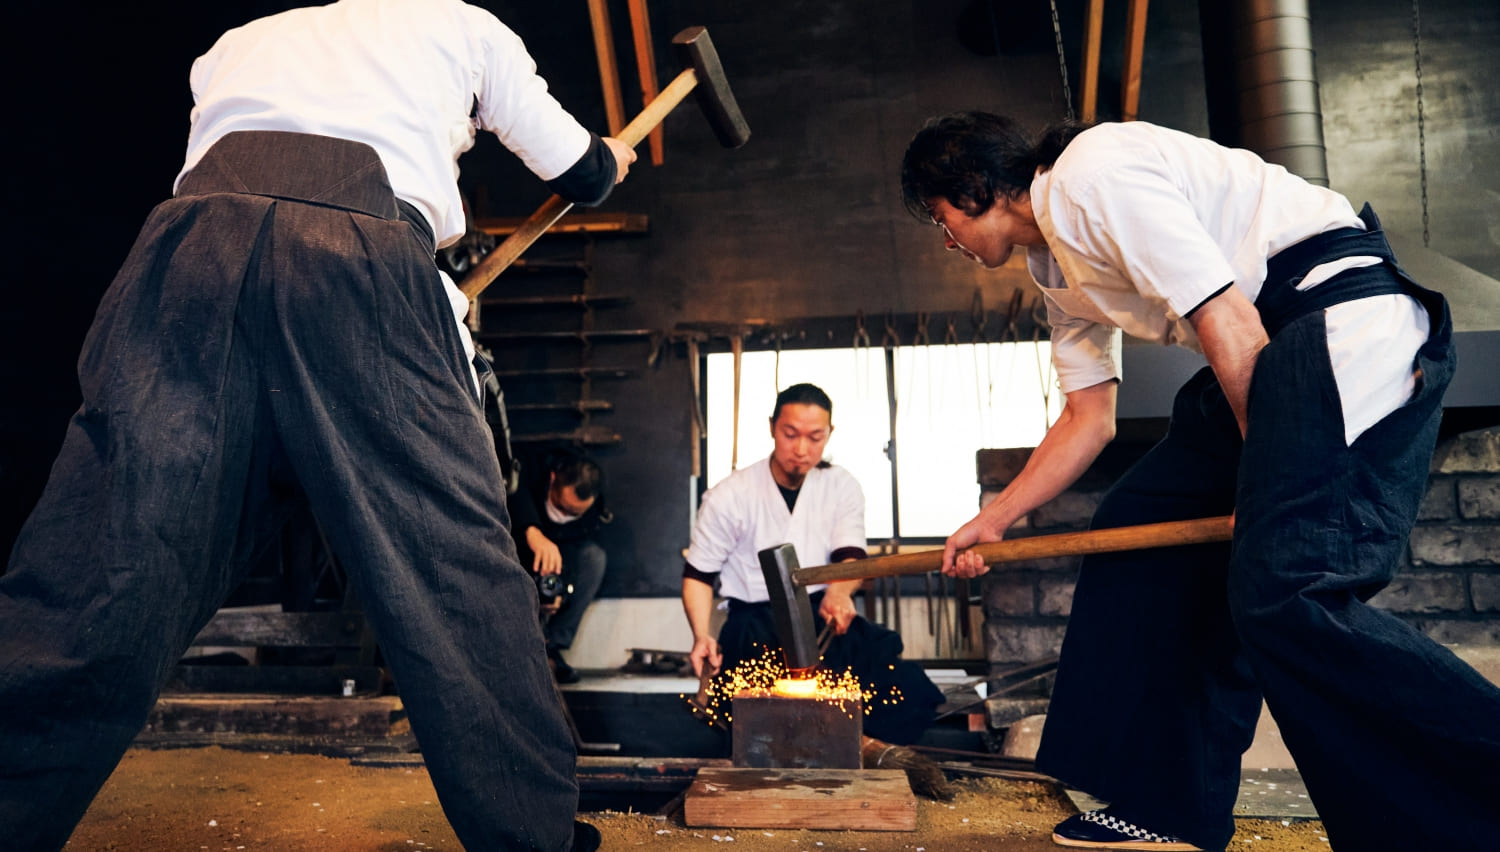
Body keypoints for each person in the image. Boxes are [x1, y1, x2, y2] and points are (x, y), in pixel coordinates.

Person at [0, 2, 636, 850]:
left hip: (185, 258)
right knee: (451, 563)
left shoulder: (236, 41)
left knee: (106, 558)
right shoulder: (464, 25)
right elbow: (574, 165)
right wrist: (614, 160)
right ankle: (534, 837)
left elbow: (241, 173)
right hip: (357, 258)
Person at [902, 112, 1500, 851]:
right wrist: (995, 519)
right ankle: (1164, 803)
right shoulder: (1052, 265)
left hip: (1330, 326)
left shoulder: (1094, 172)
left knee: (1289, 596)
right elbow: (1089, 418)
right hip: (1268, 349)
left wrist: (1267, 479)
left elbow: (1227, 317)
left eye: (941, 220)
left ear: (973, 187)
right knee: (1134, 534)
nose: (949, 241)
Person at [682, 383, 944, 745]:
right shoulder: (730, 495)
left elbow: (849, 555)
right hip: (755, 624)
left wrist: (839, 593)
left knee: (905, 692)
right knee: (756, 721)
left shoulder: (841, 486)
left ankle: (856, 767)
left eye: (815, 437)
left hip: (822, 618)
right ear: (773, 426)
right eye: (790, 435)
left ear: (829, 434)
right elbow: (698, 575)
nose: (802, 449)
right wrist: (700, 634)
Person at [508, 448, 612, 684]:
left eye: (575, 513)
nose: (566, 515)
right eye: (563, 507)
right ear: (553, 479)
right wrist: (531, 530)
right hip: (519, 549)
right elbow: (512, 494)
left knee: (594, 558)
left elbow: (576, 554)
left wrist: (562, 592)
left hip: (562, 560)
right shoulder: (531, 469)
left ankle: (550, 646)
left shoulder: (594, 512)